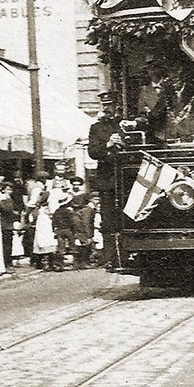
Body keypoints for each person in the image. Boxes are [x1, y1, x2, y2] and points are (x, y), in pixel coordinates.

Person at [88, 91, 124, 267]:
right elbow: (92, 152)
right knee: (108, 219)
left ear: (117, 105)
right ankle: (110, 257)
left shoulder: (125, 124)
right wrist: (107, 144)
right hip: (107, 178)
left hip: (126, 178)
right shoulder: (96, 128)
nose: (107, 108)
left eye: (110, 105)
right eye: (104, 105)